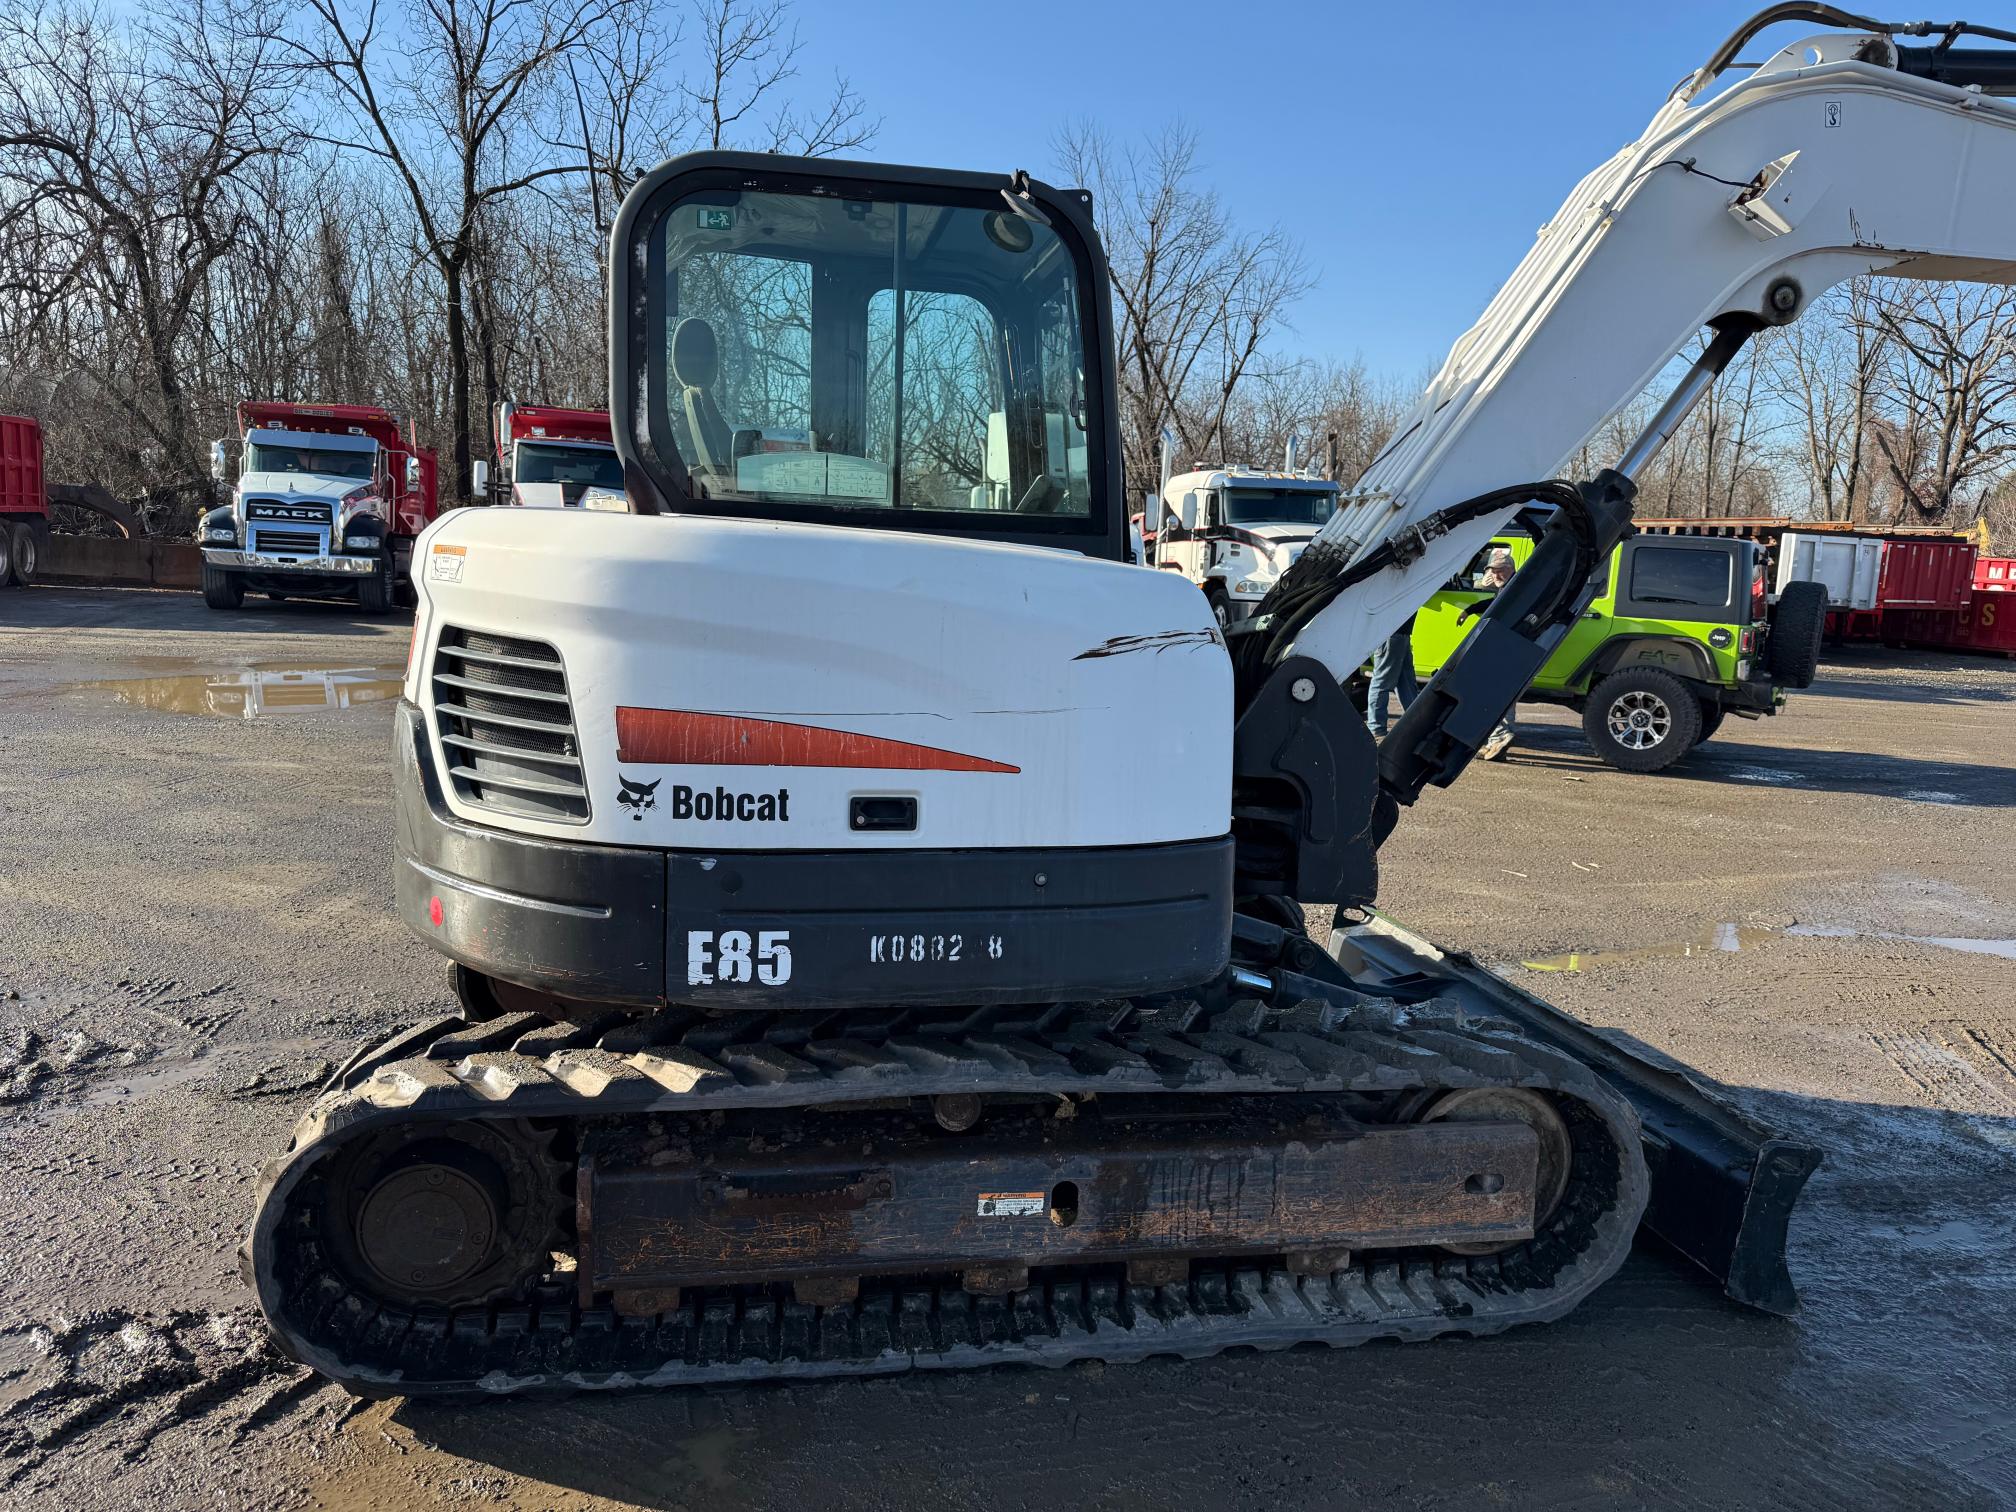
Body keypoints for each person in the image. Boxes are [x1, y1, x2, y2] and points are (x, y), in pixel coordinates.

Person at [1474, 548, 1519, 760]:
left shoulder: (1514, 588)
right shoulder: (1508, 586)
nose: (1496, 575)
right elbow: (1492, 601)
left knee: (1490, 691)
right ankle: (1496, 741)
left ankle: (1500, 735)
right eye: (1493, 570)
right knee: (1501, 694)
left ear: (1511, 569)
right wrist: (1472, 609)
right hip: (1509, 648)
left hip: (1506, 647)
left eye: (1501, 570)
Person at [1365, 614, 1418, 739]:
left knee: (1406, 683)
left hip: (1401, 634)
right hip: (1392, 633)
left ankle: (1416, 722)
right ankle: (1376, 727)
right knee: (1382, 683)